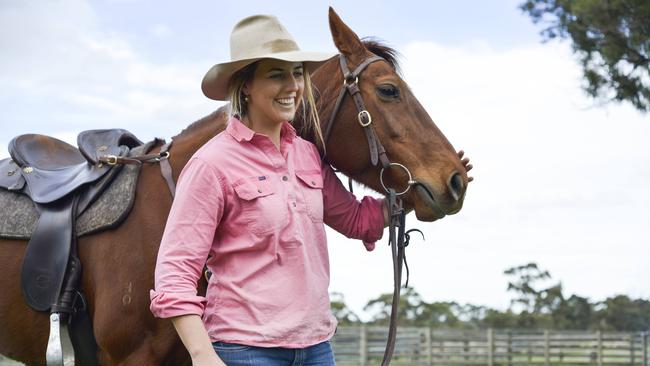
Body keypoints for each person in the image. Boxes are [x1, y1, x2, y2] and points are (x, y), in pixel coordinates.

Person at [150, 14, 473, 366]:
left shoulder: (305, 154)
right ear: (245, 85)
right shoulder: (211, 164)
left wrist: (415, 188)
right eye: (276, 75)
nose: (292, 86)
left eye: (297, 73)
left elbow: (356, 220)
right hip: (244, 350)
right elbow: (175, 273)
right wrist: (202, 354)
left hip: (316, 348)